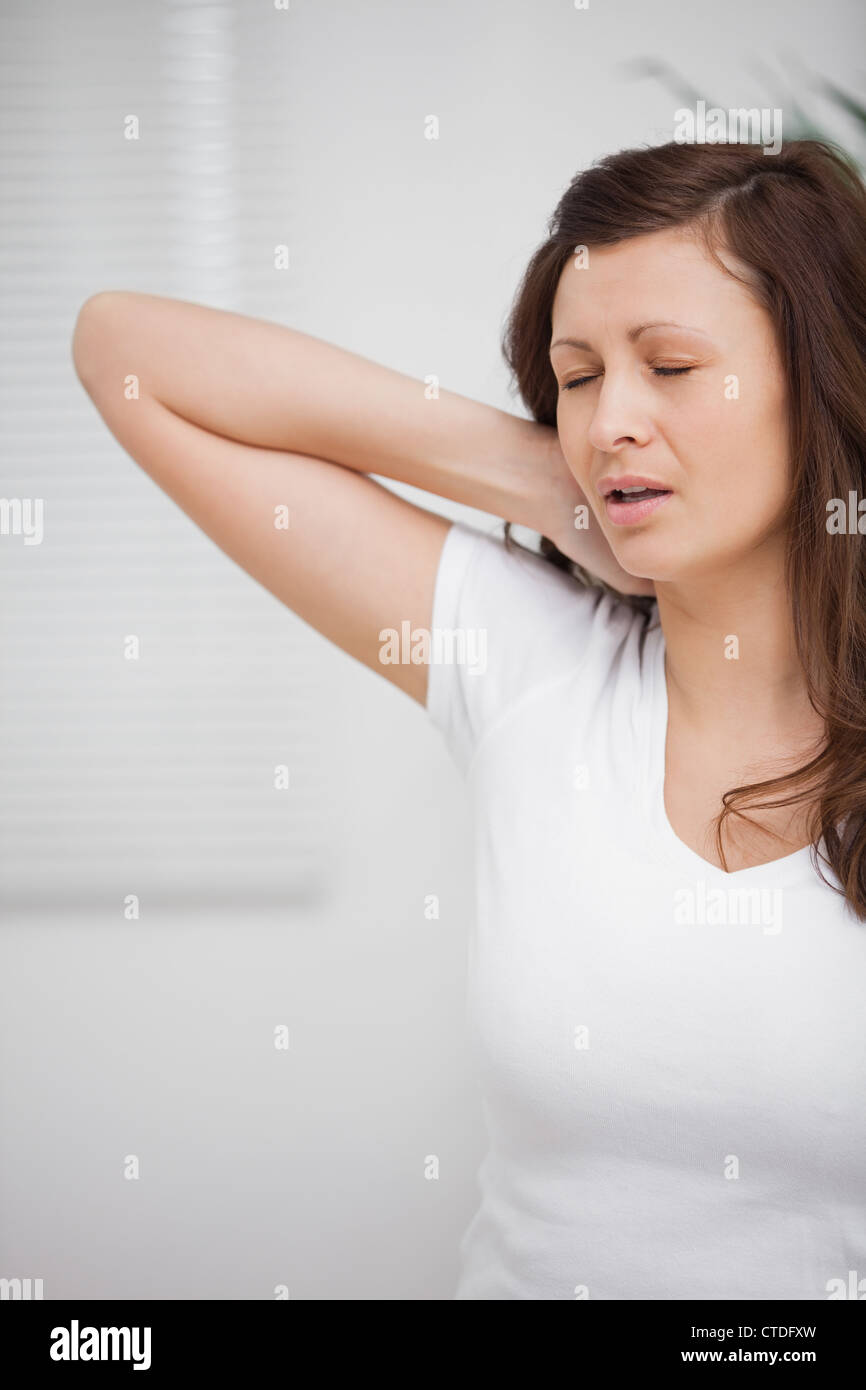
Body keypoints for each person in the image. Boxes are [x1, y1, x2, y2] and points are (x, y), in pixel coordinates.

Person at [72, 137, 866, 1300]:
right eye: (580, 375)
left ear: (823, 378)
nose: (611, 422)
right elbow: (122, 349)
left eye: (671, 367)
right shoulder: (525, 657)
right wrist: (544, 478)